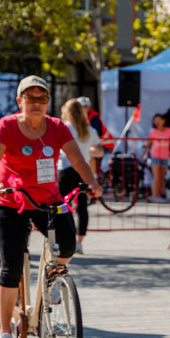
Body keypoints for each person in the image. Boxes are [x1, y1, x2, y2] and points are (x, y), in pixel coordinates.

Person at [0, 76, 102, 338]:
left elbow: (77, 159)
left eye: (41, 98)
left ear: (48, 102)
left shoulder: (57, 127)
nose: (36, 103)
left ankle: (51, 278)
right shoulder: (8, 125)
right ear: (19, 101)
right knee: (11, 266)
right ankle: (3, 333)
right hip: (10, 199)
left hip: (45, 198)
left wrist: (92, 182)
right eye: (30, 97)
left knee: (68, 244)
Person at [59, 98, 101, 252]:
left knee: (64, 205)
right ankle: (79, 241)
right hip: (83, 171)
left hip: (67, 169)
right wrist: (88, 151)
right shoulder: (88, 129)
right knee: (82, 207)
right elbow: (100, 150)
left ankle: (70, 238)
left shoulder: (65, 127)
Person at [147, 113, 170, 201]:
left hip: (165, 156)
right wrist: (144, 154)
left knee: (162, 176)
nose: (157, 122)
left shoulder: (169, 130)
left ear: (163, 121)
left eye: (159, 120)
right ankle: (154, 195)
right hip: (155, 156)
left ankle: (160, 195)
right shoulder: (153, 132)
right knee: (156, 176)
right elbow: (149, 144)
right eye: (155, 121)